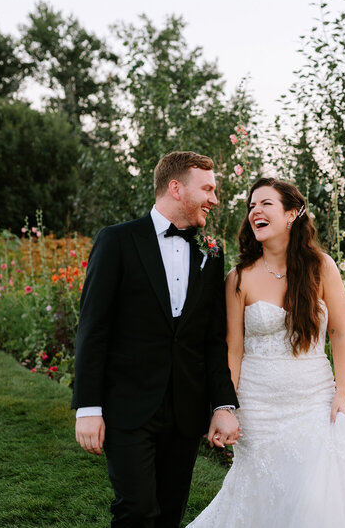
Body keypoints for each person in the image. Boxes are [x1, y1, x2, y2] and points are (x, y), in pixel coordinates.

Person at [188, 177, 345, 527]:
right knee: (262, 495)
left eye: (265, 204)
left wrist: (340, 393)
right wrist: (225, 407)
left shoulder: (322, 267)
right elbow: (234, 349)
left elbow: (339, 333)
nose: (254, 212)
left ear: (291, 214)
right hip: (257, 406)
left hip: (314, 401)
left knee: (314, 498)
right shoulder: (239, 278)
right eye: (251, 207)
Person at [72, 151, 240, 528]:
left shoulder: (211, 252)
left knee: (169, 513)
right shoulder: (116, 241)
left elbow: (213, 338)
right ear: (176, 188)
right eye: (208, 189)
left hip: (185, 409)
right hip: (128, 407)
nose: (215, 199)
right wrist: (88, 407)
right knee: (136, 510)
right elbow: (93, 329)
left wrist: (223, 403)